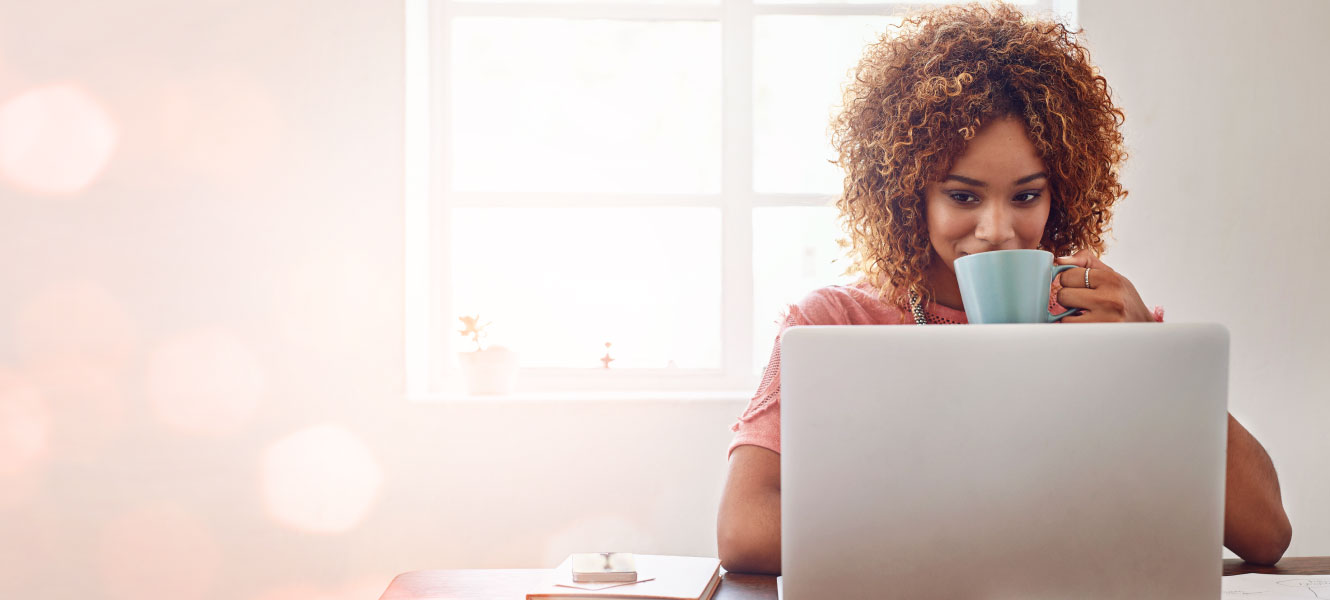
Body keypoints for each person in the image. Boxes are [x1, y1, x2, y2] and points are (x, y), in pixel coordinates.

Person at [716, 3, 1292, 574]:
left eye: (1026, 196)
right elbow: (744, 531)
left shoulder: (1099, 321)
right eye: (963, 196)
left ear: (1058, 194)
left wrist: (1153, 356)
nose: (998, 231)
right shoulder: (833, 323)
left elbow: (1266, 533)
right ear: (909, 195)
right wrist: (986, 542)